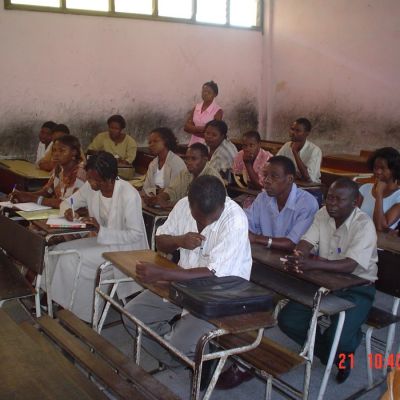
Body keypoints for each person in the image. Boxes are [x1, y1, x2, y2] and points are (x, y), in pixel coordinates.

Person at [123, 175, 252, 369]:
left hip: (220, 295)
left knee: (178, 345)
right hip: (182, 285)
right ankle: (182, 354)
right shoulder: (183, 205)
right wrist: (179, 240)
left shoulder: (235, 220)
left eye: (213, 217)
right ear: (190, 205)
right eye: (201, 217)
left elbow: (212, 274)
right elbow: (161, 241)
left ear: (223, 203)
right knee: (132, 316)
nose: (207, 223)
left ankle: (189, 352)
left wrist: (162, 274)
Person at [216, 156, 319, 391]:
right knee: (231, 289)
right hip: (266, 265)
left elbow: (294, 242)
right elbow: (247, 226)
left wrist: (259, 239)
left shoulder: (307, 204)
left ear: (290, 179)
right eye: (265, 176)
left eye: (274, 177)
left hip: (296, 273)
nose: (266, 181)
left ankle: (244, 363)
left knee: (253, 302)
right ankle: (230, 348)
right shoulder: (264, 198)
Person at [278, 178, 377, 383]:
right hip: (325, 282)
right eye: (329, 197)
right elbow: (307, 240)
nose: (331, 203)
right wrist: (299, 254)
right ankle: (330, 353)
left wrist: (311, 264)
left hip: (357, 287)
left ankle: (343, 353)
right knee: (288, 320)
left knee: (339, 338)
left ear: (355, 202)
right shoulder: (323, 214)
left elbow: (350, 265)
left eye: (339, 200)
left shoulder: (364, 224)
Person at [47, 151, 148, 322]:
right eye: (89, 178)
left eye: (95, 180)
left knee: (74, 258)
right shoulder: (91, 187)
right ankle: (56, 303)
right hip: (103, 241)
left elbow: (135, 234)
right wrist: (68, 211)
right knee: (58, 251)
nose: (90, 183)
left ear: (109, 178)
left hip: (124, 249)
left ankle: (83, 317)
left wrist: (101, 230)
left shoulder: (128, 194)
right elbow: (69, 202)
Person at [11, 135, 86, 208]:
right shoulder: (59, 168)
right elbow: (47, 191)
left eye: (62, 150)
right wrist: (23, 195)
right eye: (54, 150)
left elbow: (68, 203)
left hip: (76, 216)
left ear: (74, 152)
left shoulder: (80, 172)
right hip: (59, 213)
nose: (56, 154)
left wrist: (31, 198)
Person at [146, 143, 222, 209]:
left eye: (193, 159)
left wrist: (168, 204)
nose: (188, 162)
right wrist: (161, 197)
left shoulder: (212, 178)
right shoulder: (185, 173)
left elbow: (200, 205)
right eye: (187, 158)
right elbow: (173, 190)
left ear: (205, 159)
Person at [359, 147, 400, 231]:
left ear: (394, 170)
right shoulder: (365, 188)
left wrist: (379, 195)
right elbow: (352, 218)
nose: (378, 171)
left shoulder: (398, 196)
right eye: (375, 167)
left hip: (382, 243)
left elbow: (380, 227)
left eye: (382, 168)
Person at [142, 127, 186, 200]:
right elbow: (146, 188)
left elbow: (175, 191)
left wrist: (157, 193)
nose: (151, 145)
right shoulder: (153, 164)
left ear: (166, 141)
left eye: (155, 141)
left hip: (170, 203)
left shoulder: (176, 163)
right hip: (153, 200)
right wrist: (156, 192)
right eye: (150, 142)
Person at [277, 118, 322, 183]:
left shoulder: (315, 150)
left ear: (307, 133)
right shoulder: (287, 145)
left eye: (298, 131)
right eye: (292, 129)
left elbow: (308, 178)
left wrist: (295, 152)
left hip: (310, 188)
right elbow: (277, 164)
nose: (293, 133)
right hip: (292, 184)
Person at [184, 80, 223, 146]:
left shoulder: (218, 111)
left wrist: (193, 129)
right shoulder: (197, 107)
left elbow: (213, 133)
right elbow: (186, 127)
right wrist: (201, 129)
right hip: (193, 143)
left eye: (209, 92)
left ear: (215, 95)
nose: (205, 94)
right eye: (204, 91)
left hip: (208, 145)